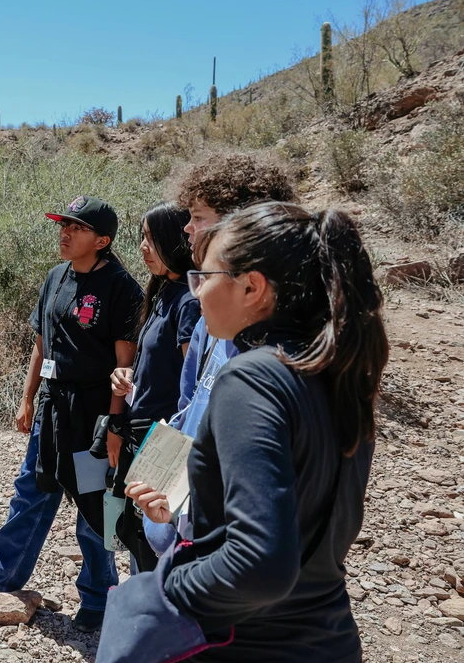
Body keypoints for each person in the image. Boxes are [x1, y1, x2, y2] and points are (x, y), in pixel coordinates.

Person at [130, 202, 387, 661]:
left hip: (248, 642)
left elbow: (260, 565)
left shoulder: (250, 379)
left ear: (251, 287)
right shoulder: (336, 372)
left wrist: (161, 591)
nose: (196, 292)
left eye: (204, 278)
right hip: (327, 638)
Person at [0, 196, 144, 633]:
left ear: (103, 239)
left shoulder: (121, 287)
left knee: (95, 508)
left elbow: (124, 361)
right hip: (52, 410)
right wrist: (27, 398)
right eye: (63, 224)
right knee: (31, 492)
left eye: (77, 227)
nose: (65, 232)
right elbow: (41, 344)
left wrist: (114, 423)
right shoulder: (55, 277)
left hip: (94, 417)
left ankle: (99, 597)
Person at [135, 154, 296, 556]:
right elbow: (187, 409)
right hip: (179, 530)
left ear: (242, 225)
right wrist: (162, 492)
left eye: (199, 216)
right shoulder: (212, 319)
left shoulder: (281, 349)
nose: (187, 228)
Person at [107, 202, 199, 571]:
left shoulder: (190, 301)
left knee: (156, 544)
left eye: (151, 238)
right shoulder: (163, 292)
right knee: (136, 536)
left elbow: (194, 388)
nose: (143, 248)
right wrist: (126, 378)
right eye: (142, 238)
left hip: (165, 441)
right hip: (142, 434)